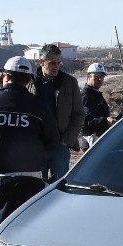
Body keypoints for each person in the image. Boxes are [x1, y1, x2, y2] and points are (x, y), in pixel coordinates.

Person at [0, 56, 59, 224]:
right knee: (27, 232)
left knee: (3, 232)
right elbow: (52, 140)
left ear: (7, 76)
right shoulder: (38, 106)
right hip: (32, 179)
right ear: (28, 80)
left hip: (0, 180)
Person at [32, 43, 84, 182]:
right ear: (41, 62)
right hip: (37, 147)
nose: (56, 67)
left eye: (59, 63)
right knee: (36, 188)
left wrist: (66, 141)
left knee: (59, 188)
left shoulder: (69, 83)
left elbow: (78, 115)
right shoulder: (30, 83)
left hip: (60, 146)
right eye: (52, 63)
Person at [81, 62, 116, 150]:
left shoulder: (95, 93)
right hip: (92, 142)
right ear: (88, 77)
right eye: (96, 77)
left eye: (102, 77)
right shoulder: (85, 96)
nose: (100, 79)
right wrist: (104, 120)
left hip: (99, 139)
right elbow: (84, 126)